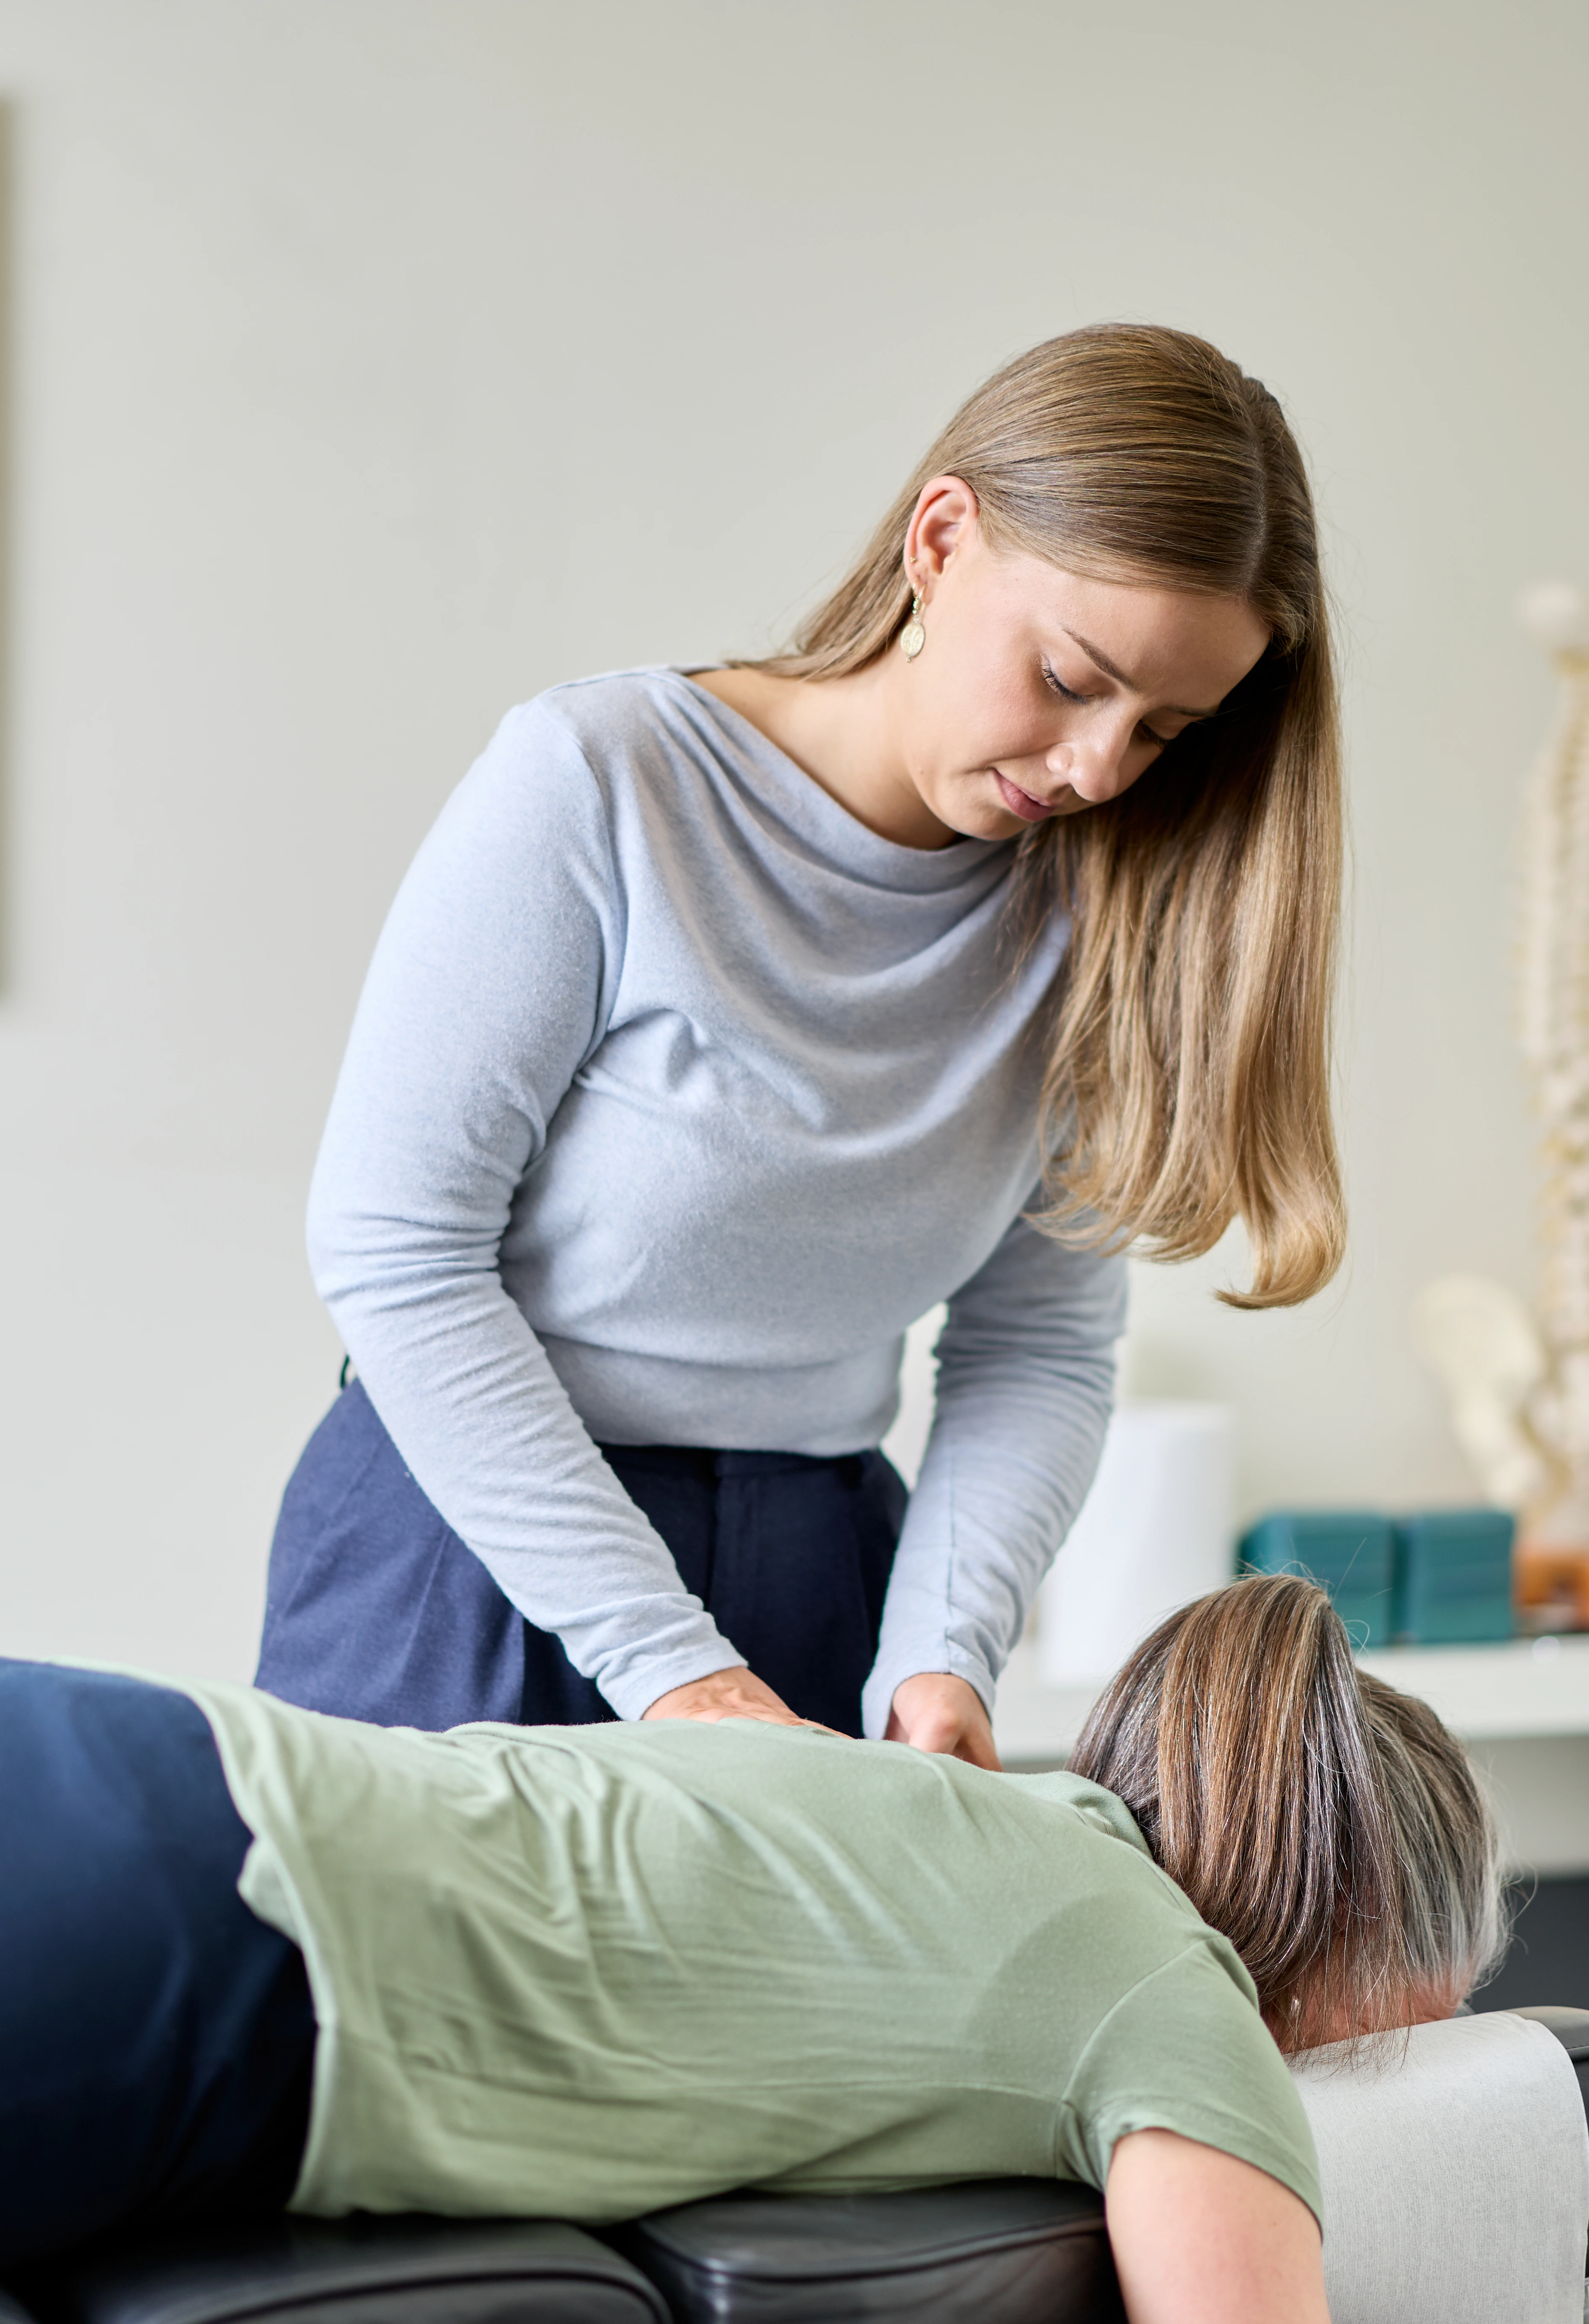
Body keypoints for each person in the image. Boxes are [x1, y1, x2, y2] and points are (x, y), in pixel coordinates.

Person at [0, 1576, 1498, 2320]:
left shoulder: (951, 1806)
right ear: (1359, 1929)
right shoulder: (1167, 1993)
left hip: (31, 1750)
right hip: (140, 1962)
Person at [259, 322, 1344, 1762]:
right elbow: (395, 1251)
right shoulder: (604, 784)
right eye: (1075, 680)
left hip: (826, 1570)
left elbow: (1038, 1346)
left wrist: (941, 1655)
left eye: (1165, 731)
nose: (1098, 768)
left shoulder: (1107, 913)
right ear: (941, 539)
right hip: (468, 1557)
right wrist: (668, 1666)